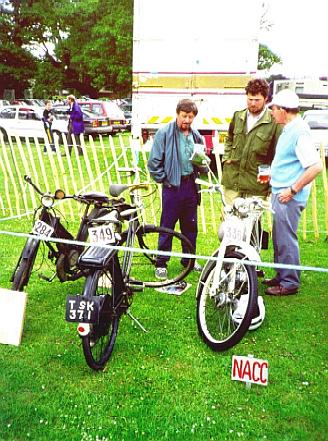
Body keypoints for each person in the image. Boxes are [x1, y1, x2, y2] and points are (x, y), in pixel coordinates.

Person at [264, 89, 322, 296]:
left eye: (273, 109)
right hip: (281, 193)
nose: (271, 112)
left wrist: (292, 189)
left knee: (286, 238)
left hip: (288, 196)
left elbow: (315, 167)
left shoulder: (299, 131)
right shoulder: (290, 128)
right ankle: (282, 274)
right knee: (280, 237)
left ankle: (289, 282)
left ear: (283, 110)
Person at [147, 99, 206, 279]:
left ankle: (188, 259)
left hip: (190, 186)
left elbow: (201, 162)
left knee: (190, 226)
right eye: (184, 116)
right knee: (167, 225)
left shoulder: (196, 136)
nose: (187, 120)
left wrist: (203, 162)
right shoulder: (164, 133)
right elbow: (153, 163)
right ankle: (161, 262)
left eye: (190, 117)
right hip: (172, 187)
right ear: (177, 114)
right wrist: (165, 179)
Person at [221, 78, 282, 205]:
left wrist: (271, 184)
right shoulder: (238, 116)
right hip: (233, 183)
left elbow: (278, 155)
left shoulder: (274, 122)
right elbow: (229, 138)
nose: (253, 103)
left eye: (257, 100)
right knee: (230, 222)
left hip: (256, 187)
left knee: (252, 224)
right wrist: (226, 158)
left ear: (266, 99)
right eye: (250, 99)